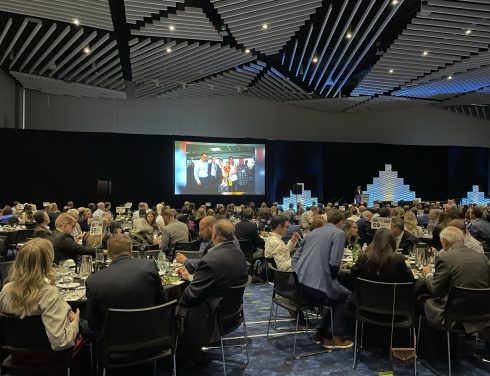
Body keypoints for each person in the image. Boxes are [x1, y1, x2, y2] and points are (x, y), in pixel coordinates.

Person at [176, 220, 248, 364]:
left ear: (214, 234)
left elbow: (189, 297)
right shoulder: (239, 253)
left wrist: (176, 300)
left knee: (176, 308)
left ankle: (186, 355)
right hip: (231, 311)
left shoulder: (210, 260)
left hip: (211, 315)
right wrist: (190, 277)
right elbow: (218, 279)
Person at [0, 238, 80, 360]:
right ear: (47, 262)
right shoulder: (49, 294)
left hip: (17, 355)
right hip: (49, 357)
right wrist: (75, 323)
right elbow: (60, 342)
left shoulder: (5, 290)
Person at [292, 209, 353, 349]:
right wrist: (332, 280)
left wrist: (297, 274)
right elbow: (334, 263)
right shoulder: (339, 233)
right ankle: (333, 337)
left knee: (332, 297)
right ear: (341, 223)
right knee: (345, 295)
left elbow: (295, 257)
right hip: (318, 285)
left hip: (300, 284)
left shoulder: (312, 232)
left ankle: (320, 334)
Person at [85, 234, 167, 333]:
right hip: (152, 334)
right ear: (130, 250)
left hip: (114, 342)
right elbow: (162, 302)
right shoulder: (149, 266)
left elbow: (94, 325)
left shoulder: (94, 281)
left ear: (109, 254)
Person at [422, 227, 490, 334]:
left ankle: (430, 348)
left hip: (454, 313)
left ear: (444, 241)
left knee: (423, 301)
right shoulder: (483, 258)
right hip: (482, 312)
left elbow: (435, 291)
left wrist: (429, 275)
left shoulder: (445, 258)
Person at [235, 207, 266, 283]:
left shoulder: (236, 225)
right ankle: (258, 273)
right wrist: (262, 238)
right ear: (252, 216)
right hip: (251, 254)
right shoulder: (253, 226)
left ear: (242, 215)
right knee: (267, 253)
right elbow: (258, 242)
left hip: (238, 253)